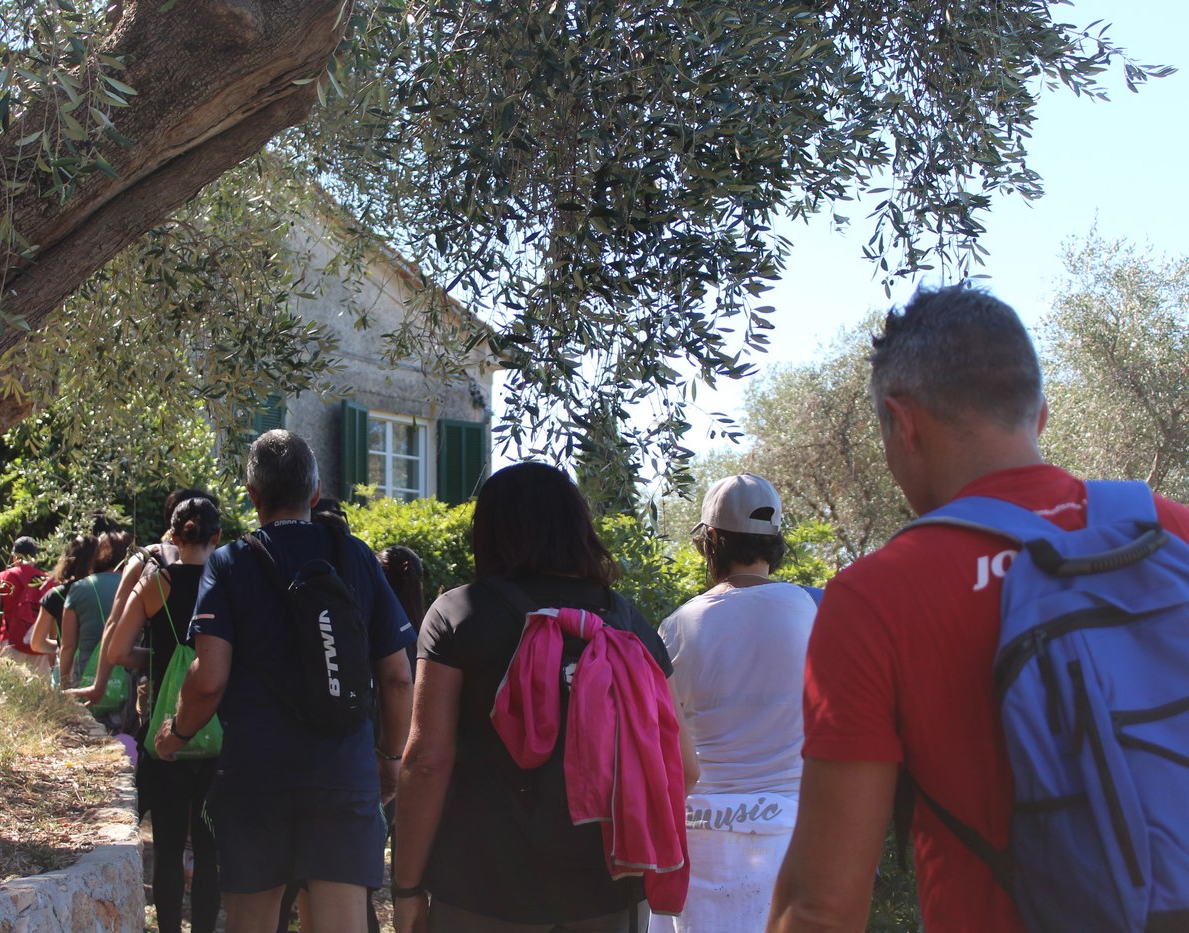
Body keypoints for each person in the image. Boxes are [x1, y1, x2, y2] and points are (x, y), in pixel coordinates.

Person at [766, 285, 1189, 933]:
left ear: (903, 422)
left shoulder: (876, 597)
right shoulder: (1172, 533)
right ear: (1039, 413)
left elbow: (823, 908)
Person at [393, 461, 699, 933]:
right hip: (609, 889)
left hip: (483, 887)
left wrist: (406, 886)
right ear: (579, 528)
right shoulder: (627, 622)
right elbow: (684, 766)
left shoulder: (459, 613)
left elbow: (428, 760)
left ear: (489, 531)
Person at [151, 430, 415, 933]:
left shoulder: (229, 562)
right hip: (343, 773)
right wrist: (389, 756)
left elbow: (209, 679)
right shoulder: (357, 557)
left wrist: (176, 734)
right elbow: (399, 678)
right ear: (315, 493)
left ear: (253, 496)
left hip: (256, 777)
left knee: (250, 922)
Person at [649, 474, 816, 933]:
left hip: (701, 838)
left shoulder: (677, 626)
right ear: (775, 541)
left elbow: (666, 740)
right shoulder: (814, 613)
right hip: (789, 834)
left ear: (710, 541)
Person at [108, 497, 223, 933]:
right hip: (217, 732)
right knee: (210, 853)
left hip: (164, 731)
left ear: (173, 537)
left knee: (169, 847)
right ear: (217, 536)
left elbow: (117, 651)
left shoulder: (158, 582)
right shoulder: (228, 581)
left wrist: (159, 658)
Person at [71, 489, 217, 708]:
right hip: (214, 687)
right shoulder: (225, 572)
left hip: (157, 681)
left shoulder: (146, 560)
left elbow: (115, 623)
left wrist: (99, 685)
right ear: (216, 534)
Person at [58, 529, 130, 688]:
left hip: (87, 672)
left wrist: (64, 683)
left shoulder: (80, 588)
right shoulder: (136, 586)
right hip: (127, 673)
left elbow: (68, 645)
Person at [0, 536, 53, 677]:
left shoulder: (4, 577)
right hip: (40, 646)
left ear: (14, 557)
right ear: (35, 558)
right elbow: (53, 618)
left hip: (11, 642)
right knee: (39, 689)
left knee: (6, 687)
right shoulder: (47, 581)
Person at [29, 534, 99, 668]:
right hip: (104, 667)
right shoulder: (107, 589)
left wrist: (63, 646)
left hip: (69, 667)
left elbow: (37, 643)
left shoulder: (55, 595)